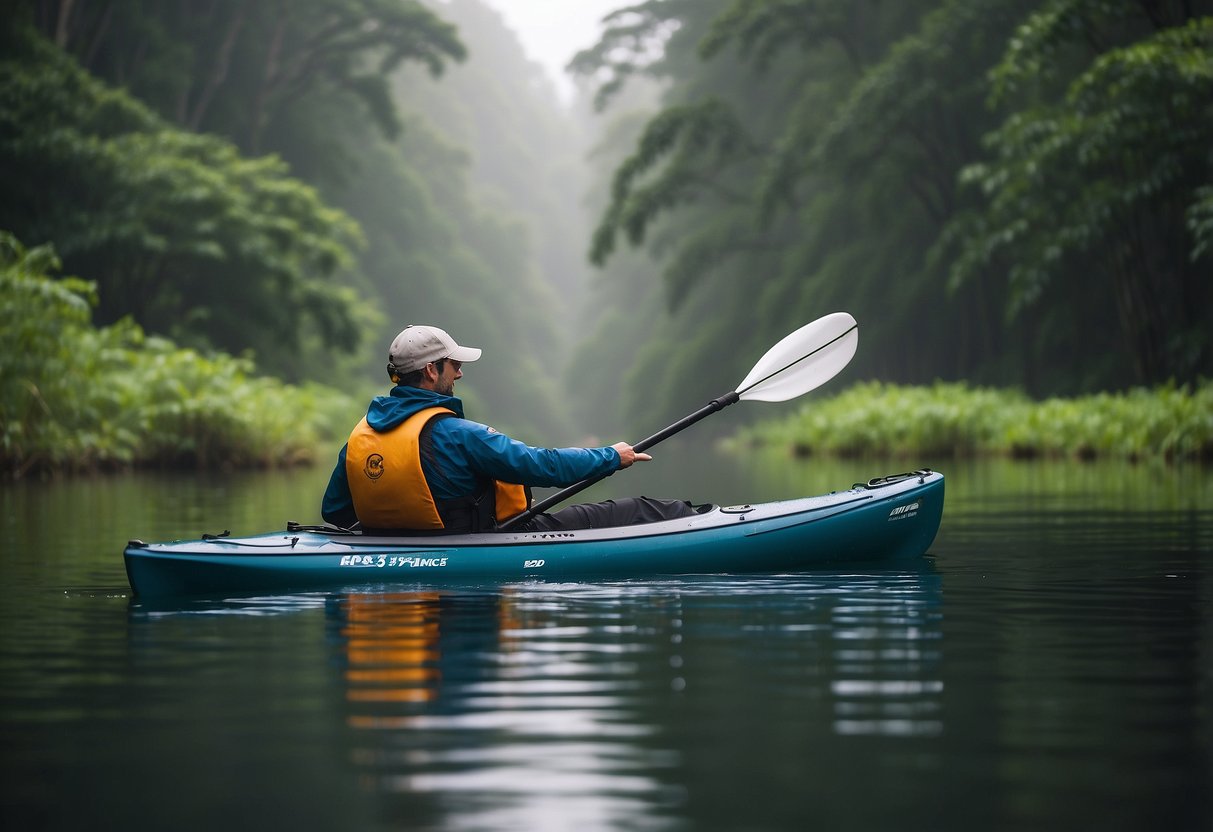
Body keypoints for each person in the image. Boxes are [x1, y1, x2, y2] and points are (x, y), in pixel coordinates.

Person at [322, 325, 696, 533]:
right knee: (640, 510)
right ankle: (695, 518)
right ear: (432, 371)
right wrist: (611, 456)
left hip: (394, 550)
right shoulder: (458, 434)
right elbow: (541, 465)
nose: (460, 372)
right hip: (487, 542)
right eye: (453, 365)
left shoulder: (360, 438)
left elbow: (335, 512)